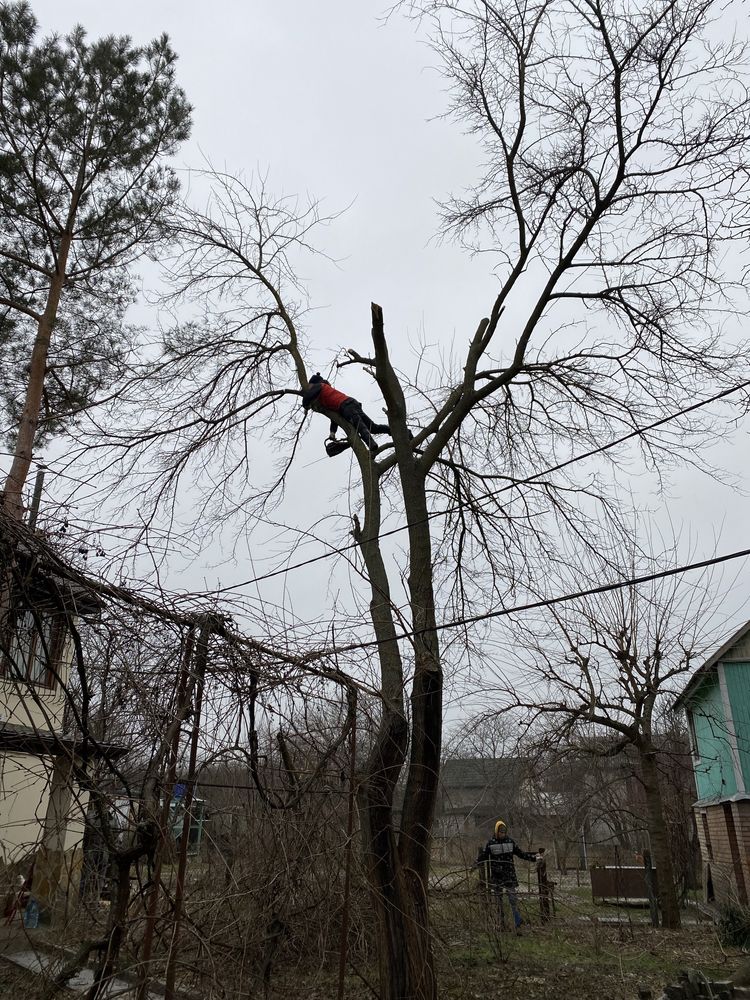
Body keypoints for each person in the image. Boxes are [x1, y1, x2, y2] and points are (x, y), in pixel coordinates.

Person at [476, 819, 540, 932]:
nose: (502, 834)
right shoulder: (491, 843)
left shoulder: (510, 842)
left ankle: (517, 922)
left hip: (509, 876)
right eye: (500, 832)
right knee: (498, 901)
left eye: (504, 832)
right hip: (497, 877)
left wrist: (534, 858)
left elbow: (521, 854)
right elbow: (484, 856)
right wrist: (475, 863)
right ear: (496, 831)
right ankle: (501, 924)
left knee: (513, 899)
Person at [301, 373, 390, 454]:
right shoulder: (326, 394)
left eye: (310, 386)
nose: (309, 387)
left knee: (360, 425)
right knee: (372, 427)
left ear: (313, 383)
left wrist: (305, 406)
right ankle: (390, 430)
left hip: (346, 406)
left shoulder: (320, 386)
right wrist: (333, 432)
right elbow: (334, 417)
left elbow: (309, 395)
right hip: (351, 403)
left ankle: (371, 444)